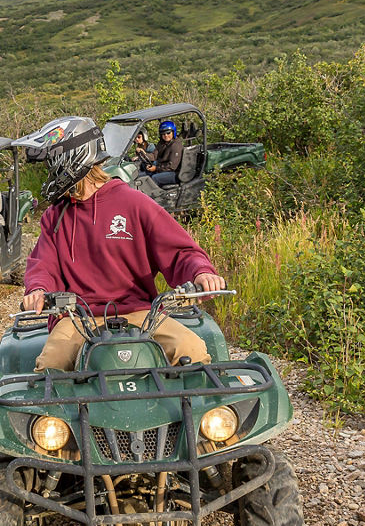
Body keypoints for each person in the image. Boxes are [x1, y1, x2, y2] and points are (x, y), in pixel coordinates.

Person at [14, 116, 226, 372]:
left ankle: (200, 413)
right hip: (78, 318)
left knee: (191, 349)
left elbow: (180, 251)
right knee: (51, 365)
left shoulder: (134, 203)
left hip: (140, 313)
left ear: (71, 158)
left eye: (52, 164)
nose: (50, 173)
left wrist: (201, 271)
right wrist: (37, 289)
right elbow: (43, 264)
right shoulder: (55, 216)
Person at [142, 120, 184, 186]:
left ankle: (154, 196)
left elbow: (172, 166)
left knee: (154, 178)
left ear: (173, 132)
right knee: (144, 176)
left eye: (168, 133)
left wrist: (156, 168)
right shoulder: (162, 143)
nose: (166, 135)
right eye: (163, 134)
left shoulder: (176, 145)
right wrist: (144, 155)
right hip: (163, 168)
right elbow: (154, 155)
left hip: (175, 173)